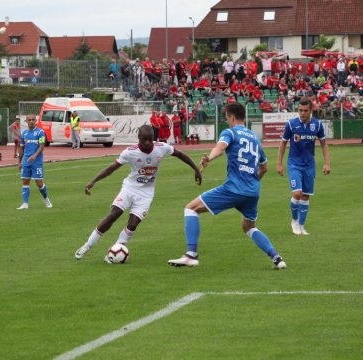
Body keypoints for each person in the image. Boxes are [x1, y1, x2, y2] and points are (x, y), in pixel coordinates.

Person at [168, 103, 286, 269]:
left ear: (231, 117)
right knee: (249, 227)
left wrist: (209, 158)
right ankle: (277, 258)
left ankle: (191, 255)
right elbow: (264, 167)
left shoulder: (229, 132)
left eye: (227, 117)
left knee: (190, 209)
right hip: (252, 191)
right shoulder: (254, 138)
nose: (226, 120)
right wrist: (252, 182)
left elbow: (220, 148)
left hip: (234, 189)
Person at [74, 124, 202, 262]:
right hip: (129, 188)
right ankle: (87, 245)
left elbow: (180, 155)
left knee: (133, 224)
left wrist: (196, 169)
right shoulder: (130, 152)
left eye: (150, 139)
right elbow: (111, 168)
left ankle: (117, 248)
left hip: (146, 194)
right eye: (144, 140)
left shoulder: (161, 147)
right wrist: (94, 181)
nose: (147, 143)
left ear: (153, 137)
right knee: (113, 215)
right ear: (138, 138)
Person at [277, 97, 331, 235]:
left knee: (306, 196)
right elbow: (283, 143)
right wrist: (279, 164)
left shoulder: (317, 125)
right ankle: (294, 221)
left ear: (311, 110)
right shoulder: (291, 124)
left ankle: (301, 225)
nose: (302, 113)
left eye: (305, 111)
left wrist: (327, 163)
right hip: (294, 163)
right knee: (297, 193)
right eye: (300, 110)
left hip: (309, 165)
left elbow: (324, 144)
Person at [17, 114, 52, 210]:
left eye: (33, 120)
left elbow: (41, 146)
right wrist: (19, 162)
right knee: (25, 181)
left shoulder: (40, 132)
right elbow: (21, 148)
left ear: (36, 121)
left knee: (39, 183)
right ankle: (25, 204)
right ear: (26, 121)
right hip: (26, 161)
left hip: (37, 162)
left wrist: (34, 156)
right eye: (29, 120)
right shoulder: (24, 133)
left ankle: (46, 199)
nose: (31, 121)